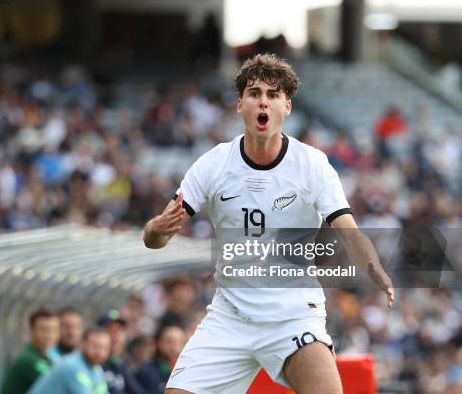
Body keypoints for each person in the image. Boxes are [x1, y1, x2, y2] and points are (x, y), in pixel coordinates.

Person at [143, 53, 395, 394]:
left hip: (292, 315)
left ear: (286, 107)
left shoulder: (312, 164)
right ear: (240, 105)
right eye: (254, 93)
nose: (263, 101)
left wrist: (372, 263)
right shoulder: (213, 164)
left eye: (273, 95)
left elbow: (348, 229)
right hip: (230, 316)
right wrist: (154, 231)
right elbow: (156, 237)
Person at [29, 327, 110, 394]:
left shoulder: (96, 369)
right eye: (95, 346)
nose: (100, 352)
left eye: (105, 348)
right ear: (82, 344)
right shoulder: (72, 366)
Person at [0, 308, 60, 394]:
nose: (49, 335)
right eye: (43, 330)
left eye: (54, 330)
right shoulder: (28, 360)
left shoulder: (48, 357)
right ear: (31, 331)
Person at [98, 310, 146, 394]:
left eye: (119, 330)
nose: (115, 336)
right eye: (110, 330)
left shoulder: (122, 366)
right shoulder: (93, 364)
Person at [135, 325, 186, 394]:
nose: (174, 347)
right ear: (158, 343)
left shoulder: (189, 371)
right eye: (169, 342)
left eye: (180, 342)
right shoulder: (145, 371)